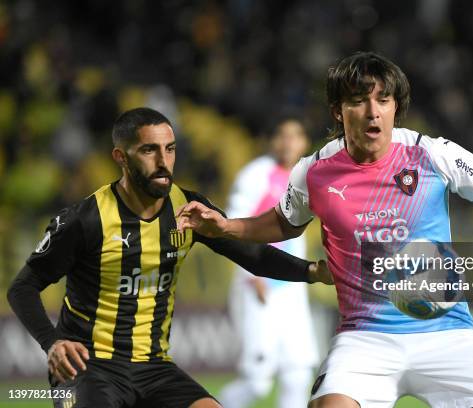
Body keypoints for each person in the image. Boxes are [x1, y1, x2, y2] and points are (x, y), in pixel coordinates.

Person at [175, 52, 473, 408]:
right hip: (365, 339)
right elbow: (281, 223)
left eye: (383, 100)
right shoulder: (314, 172)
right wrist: (227, 225)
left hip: (447, 333)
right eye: (359, 101)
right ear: (339, 111)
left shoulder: (433, 154)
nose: (373, 111)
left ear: (395, 107)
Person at [6, 107, 331, 408]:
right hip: (89, 368)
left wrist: (313, 271)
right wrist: (52, 343)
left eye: (170, 149)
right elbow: (22, 287)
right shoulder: (86, 220)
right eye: (149, 150)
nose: (163, 161)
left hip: (154, 367)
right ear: (121, 157)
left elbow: (253, 255)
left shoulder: (188, 209)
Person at [218, 118, 318, 408]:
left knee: (298, 374)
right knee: (257, 382)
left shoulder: (308, 177)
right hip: (258, 286)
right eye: (282, 136)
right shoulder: (256, 175)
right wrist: (251, 275)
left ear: (304, 142)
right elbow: (232, 226)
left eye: (295, 136)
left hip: (291, 288)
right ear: (272, 141)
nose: (288, 142)